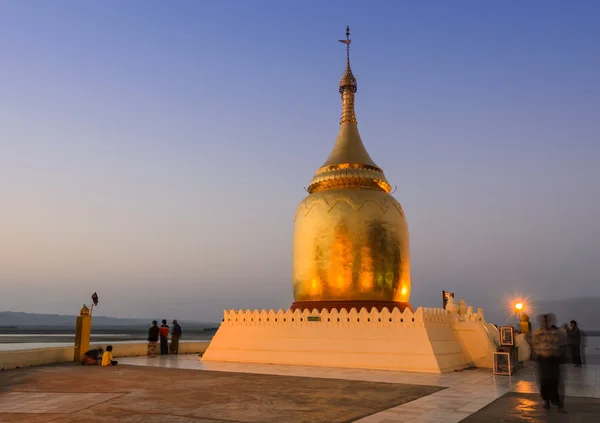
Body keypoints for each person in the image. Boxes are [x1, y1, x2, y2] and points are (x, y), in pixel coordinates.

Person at [532, 314, 565, 412]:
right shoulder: (538, 333)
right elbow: (535, 344)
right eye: (544, 321)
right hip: (543, 360)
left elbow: (560, 345)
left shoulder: (556, 333)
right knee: (544, 381)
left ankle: (556, 400)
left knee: (554, 381)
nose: (546, 323)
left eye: (547, 321)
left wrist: (559, 355)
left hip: (553, 360)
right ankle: (546, 400)